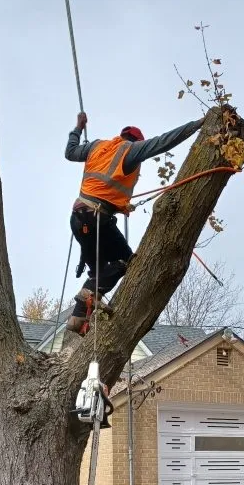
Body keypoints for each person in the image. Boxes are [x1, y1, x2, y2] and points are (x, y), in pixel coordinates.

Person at [64, 111, 205, 335]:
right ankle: (89, 294)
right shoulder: (131, 151)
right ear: (137, 142)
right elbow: (163, 142)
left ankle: (78, 318)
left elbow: (70, 152)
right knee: (124, 261)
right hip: (97, 219)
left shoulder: (97, 146)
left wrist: (78, 127)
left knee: (99, 270)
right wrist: (196, 125)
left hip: (79, 218)